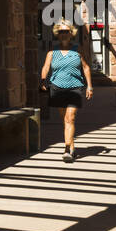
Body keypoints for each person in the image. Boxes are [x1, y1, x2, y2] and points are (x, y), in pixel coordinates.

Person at [41, 20, 94, 163]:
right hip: (57, 87)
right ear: (58, 34)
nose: (64, 34)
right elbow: (46, 67)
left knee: (70, 118)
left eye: (66, 31)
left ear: (71, 33)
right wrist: (43, 81)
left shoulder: (78, 49)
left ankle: (66, 150)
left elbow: (86, 67)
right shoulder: (52, 52)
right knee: (64, 119)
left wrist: (89, 86)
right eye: (61, 32)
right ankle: (72, 146)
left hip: (74, 87)